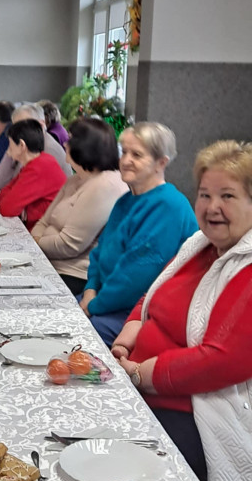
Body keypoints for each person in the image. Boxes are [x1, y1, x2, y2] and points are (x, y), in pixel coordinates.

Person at [113, 140, 252, 481]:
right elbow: (152, 296)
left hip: (192, 415)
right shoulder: (199, 245)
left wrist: (141, 374)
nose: (212, 207)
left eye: (228, 196)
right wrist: (127, 337)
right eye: (205, 195)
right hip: (140, 386)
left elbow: (221, 361)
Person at [79, 122, 198, 345]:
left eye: (137, 155)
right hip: (107, 301)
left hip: (141, 312)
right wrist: (90, 289)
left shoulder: (167, 206)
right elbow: (99, 252)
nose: (125, 161)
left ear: (161, 162)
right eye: (124, 152)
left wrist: (92, 306)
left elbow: (135, 278)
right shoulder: (126, 200)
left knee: (76, 336)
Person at [32, 118, 128, 295]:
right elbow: (44, 220)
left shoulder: (105, 184)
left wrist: (36, 242)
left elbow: (69, 244)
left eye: (70, 139)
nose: (65, 143)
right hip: (50, 262)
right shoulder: (77, 178)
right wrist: (36, 241)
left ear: (85, 146)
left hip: (74, 274)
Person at [0, 119, 66, 232]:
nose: (8, 150)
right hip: (39, 228)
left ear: (22, 145)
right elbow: (4, 193)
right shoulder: (41, 160)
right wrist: (22, 206)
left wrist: (26, 208)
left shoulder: (38, 167)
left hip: (43, 233)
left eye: (10, 145)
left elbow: (6, 208)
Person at [0, 103, 72, 188]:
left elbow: (23, 189)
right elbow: (0, 183)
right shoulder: (25, 144)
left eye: (25, 126)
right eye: (16, 127)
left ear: (41, 124)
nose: (18, 132)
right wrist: (11, 148)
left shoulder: (48, 148)